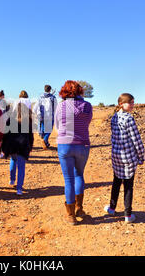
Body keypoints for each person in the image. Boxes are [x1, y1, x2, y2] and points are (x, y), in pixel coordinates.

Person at [55, 80, 93, 225]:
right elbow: (87, 122)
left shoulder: (61, 106)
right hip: (82, 144)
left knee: (68, 179)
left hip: (65, 145)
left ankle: (71, 215)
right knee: (79, 175)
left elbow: (57, 125)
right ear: (80, 91)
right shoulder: (87, 106)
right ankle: (79, 208)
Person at [104, 93, 145, 223]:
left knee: (116, 181)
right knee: (128, 185)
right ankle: (128, 215)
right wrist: (141, 155)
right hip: (128, 157)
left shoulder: (114, 117)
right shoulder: (128, 119)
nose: (133, 105)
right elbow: (136, 139)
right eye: (130, 102)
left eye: (133, 102)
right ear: (121, 103)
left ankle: (112, 208)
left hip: (116, 155)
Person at [2, 102, 34, 196]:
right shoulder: (27, 121)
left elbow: (5, 133)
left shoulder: (10, 119)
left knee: (13, 160)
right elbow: (30, 136)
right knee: (21, 167)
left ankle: (12, 180)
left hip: (13, 145)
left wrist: (4, 146)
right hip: (23, 146)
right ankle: (19, 189)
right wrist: (30, 146)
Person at [33, 85, 57, 149]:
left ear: (44, 89)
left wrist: (36, 113)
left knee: (43, 130)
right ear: (50, 90)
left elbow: (35, 107)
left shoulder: (40, 97)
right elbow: (55, 107)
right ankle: (45, 140)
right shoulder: (53, 97)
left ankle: (46, 143)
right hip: (50, 116)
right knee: (49, 130)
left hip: (42, 116)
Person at [0, 90, 9, 159]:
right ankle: (3, 152)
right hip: (4, 121)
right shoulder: (4, 102)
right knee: (4, 137)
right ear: (3, 95)